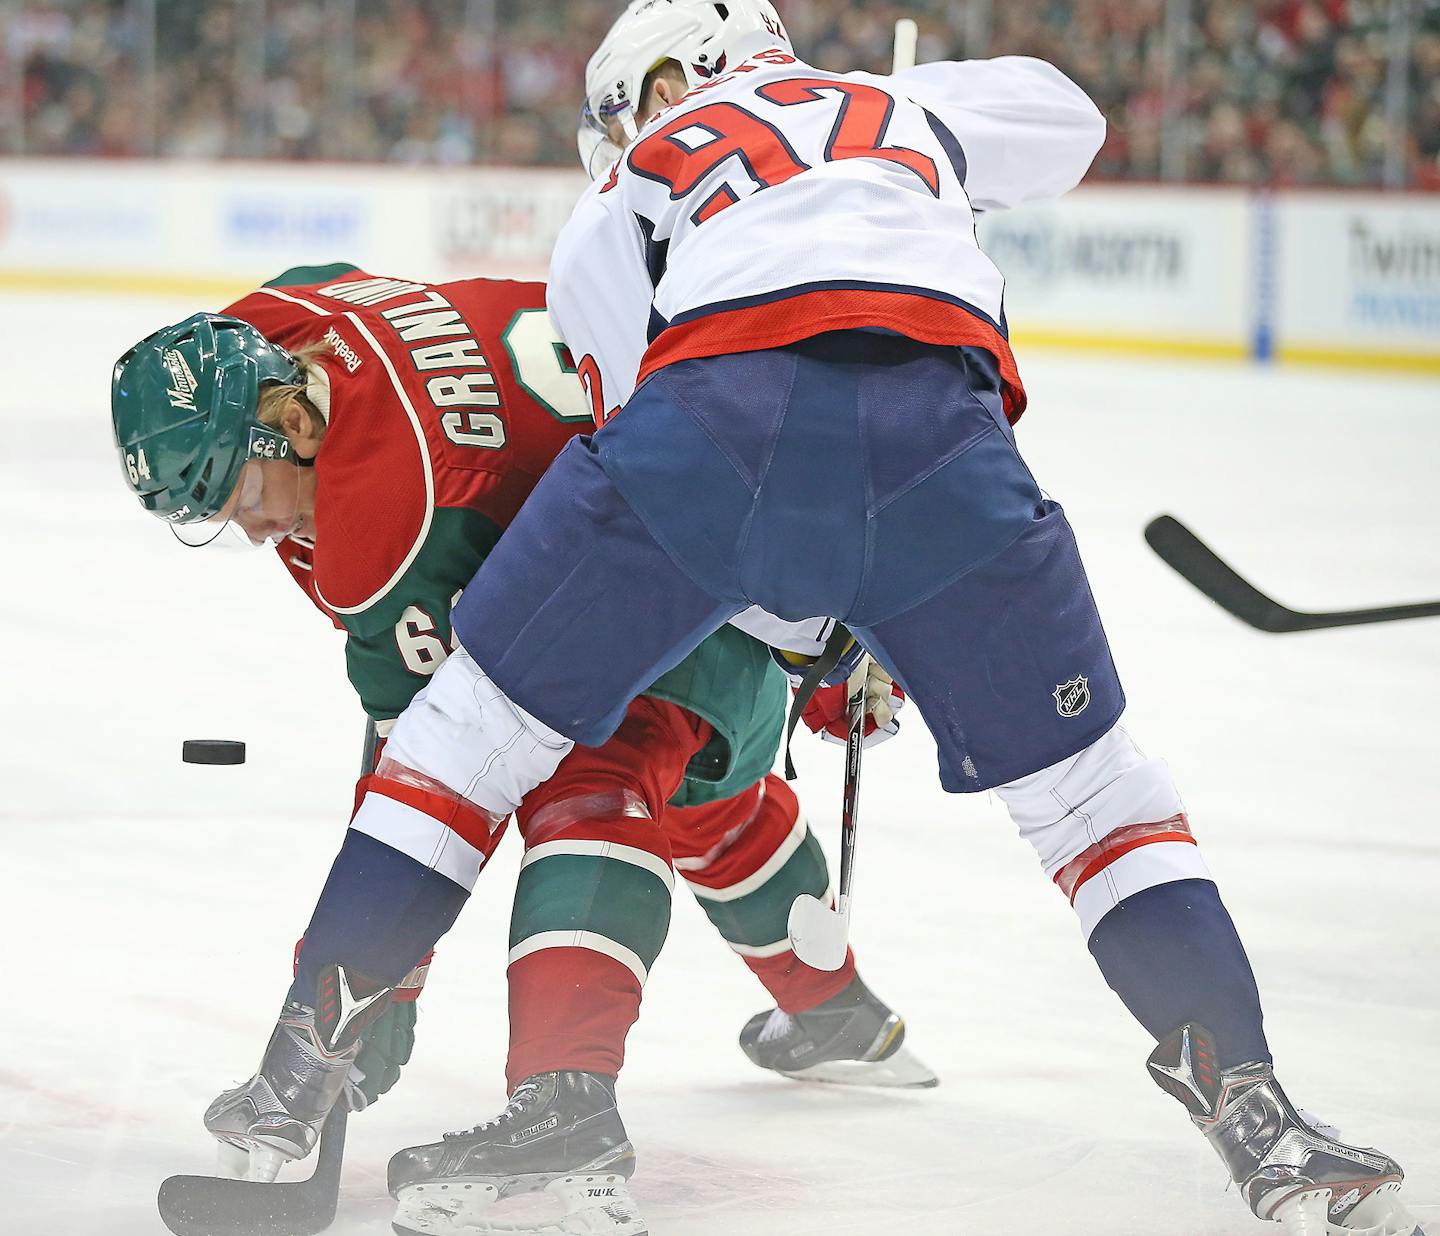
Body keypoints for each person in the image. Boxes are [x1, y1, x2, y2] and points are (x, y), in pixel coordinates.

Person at [304, 3, 1424, 1235]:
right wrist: (894, 124)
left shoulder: (622, 195)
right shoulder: (900, 109)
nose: (619, 133)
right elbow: (1071, 120)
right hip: (946, 456)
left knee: (494, 741)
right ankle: (1260, 1117)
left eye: (626, 104)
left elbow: (669, 456)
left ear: (676, 75)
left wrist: (810, 633)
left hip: (722, 456)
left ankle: (366, 1068)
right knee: (1101, 800)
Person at [110, 264, 935, 1234]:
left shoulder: (395, 516)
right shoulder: (276, 327)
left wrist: (348, 1007)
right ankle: (836, 1007)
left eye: (242, 491)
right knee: (715, 791)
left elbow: (429, 783)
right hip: (722, 461)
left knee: (598, 764)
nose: (249, 530)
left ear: (288, 427)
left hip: (693, 556)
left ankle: (567, 1099)